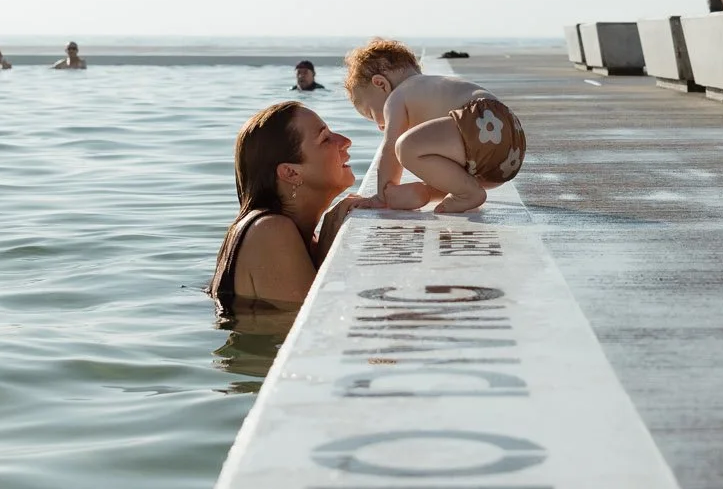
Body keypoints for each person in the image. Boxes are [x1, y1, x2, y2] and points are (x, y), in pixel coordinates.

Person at [344, 37, 526, 215]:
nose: (380, 125)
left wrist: (381, 196)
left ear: (380, 84)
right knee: (453, 166)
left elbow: (390, 149)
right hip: (510, 139)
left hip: (479, 122)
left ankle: (468, 193)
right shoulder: (431, 87)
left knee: (405, 146)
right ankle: (429, 193)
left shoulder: (397, 96)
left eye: (372, 114)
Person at [208, 101, 358, 310]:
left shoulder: (299, 235)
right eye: (325, 139)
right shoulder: (270, 231)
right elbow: (312, 322)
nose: (345, 141)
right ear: (291, 173)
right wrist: (328, 244)